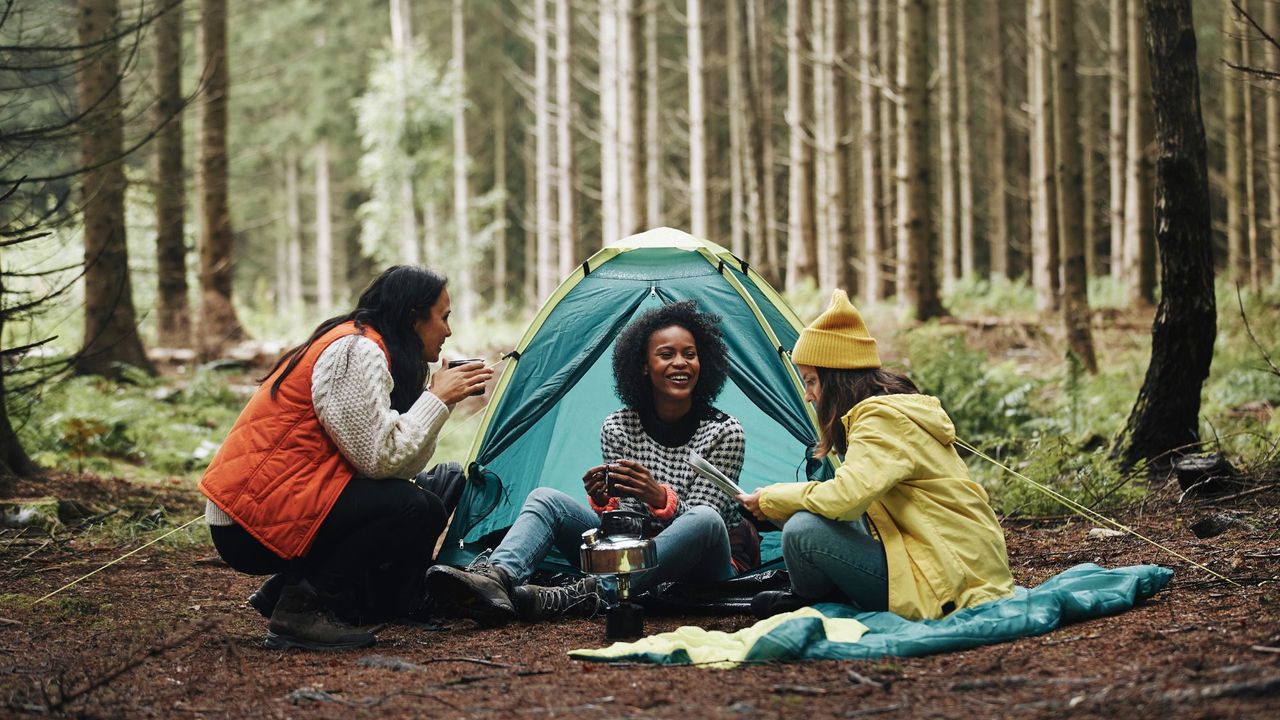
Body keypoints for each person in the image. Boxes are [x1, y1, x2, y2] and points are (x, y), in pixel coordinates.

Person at [199, 265, 493, 650]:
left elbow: (401, 465)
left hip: (278, 502)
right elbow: (380, 460)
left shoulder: (369, 346)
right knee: (409, 505)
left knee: (428, 502)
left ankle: (298, 592)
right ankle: (300, 609)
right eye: (444, 317)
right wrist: (436, 399)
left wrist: (439, 402)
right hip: (247, 520)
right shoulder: (357, 351)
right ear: (412, 317)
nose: (448, 331)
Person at [425, 301, 756, 626]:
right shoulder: (619, 426)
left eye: (690, 354)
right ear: (643, 365)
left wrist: (659, 498)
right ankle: (497, 578)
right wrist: (604, 502)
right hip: (636, 557)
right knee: (546, 499)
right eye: (666, 355)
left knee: (707, 519)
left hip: (703, 566)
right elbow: (626, 531)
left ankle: (595, 593)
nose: (681, 363)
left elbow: (701, 530)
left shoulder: (725, 432)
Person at [739, 290, 1014, 620]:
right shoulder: (889, 413)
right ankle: (818, 599)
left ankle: (815, 604)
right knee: (813, 518)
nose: (809, 397)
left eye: (811, 381)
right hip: (951, 561)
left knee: (802, 532)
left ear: (836, 377)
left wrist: (772, 498)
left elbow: (845, 498)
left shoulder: (881, 421)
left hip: (947, 577)